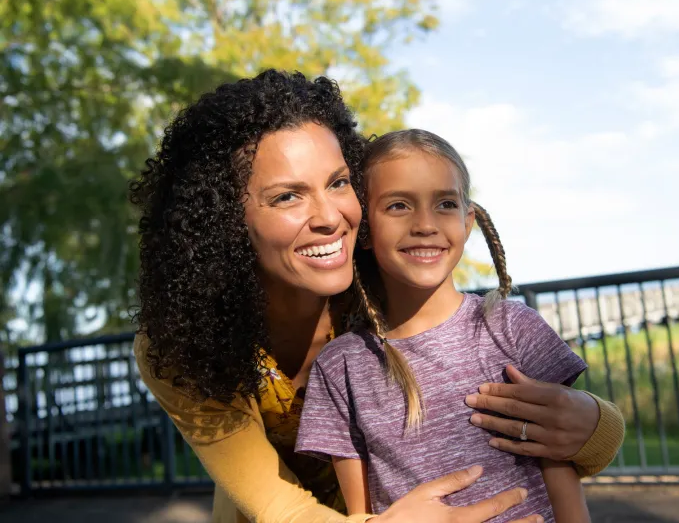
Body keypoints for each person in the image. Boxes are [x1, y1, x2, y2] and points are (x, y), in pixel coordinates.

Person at [130, 70, 625, 523]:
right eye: (287, 196)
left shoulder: (381, 279)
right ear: (224, 223)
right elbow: (277, 505)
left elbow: (518, 410)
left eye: (338, 183)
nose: (329, 216)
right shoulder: (180, 347)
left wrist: (596, 426)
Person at [295, 130, 595, 522]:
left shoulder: (513, 328)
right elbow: (363, 515)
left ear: (467, 222)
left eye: (445, 204)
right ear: (364, 229)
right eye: (399, 205)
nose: (424, 224)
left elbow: (558, 463)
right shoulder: (340, 366)